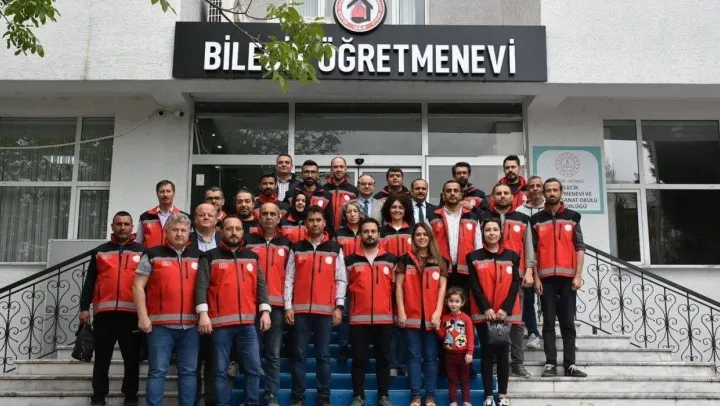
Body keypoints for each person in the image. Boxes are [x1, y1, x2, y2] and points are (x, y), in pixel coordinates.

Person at [195, 216, 272, 406]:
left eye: (238, 229)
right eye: (230, 229)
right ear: (222, 231)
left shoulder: (252, 256)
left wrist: (265, 311)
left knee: (254, 368)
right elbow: (201, 287)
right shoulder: (210, 256)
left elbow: (261, 285)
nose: (234, 232)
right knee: (219, 370)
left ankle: (251, 403)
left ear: (243, 232)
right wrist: (203, 314)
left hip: (247, 324)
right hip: (220, 324)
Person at [133, 213, 201, 406]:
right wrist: (143, 317)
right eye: (175, 230)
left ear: (189, 233)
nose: (179, 234)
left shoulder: (199, 256)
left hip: (191, 326)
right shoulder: (152, 254)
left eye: (183, 230)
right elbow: (138, 285)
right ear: (166, 232)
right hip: (160, 326)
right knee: (157, 371)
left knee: (188, 372)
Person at [79, 211, 145, 406]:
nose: (122, 227)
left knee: (132, 360)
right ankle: (98, 396)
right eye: (119, 224)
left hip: (132, 315)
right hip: (105, 315)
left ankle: (130, 397)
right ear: (112, 226)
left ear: (132, 227)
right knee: (102, 359)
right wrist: (84, 307)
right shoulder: (100, 252)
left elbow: (149, 285)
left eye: (126, 224)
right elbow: (90, 282)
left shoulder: (143, 252)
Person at [284, 206, 347, 406]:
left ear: (324, 223)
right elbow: (289, 279)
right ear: (305, 223)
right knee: (299, 356)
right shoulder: (296, 247)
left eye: (318, 220)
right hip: (300, 311)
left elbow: (341, 279)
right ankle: (298, 396)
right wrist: (288, 306)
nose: (315, 223)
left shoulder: (335, 248)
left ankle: (323, 396)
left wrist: (339, 307)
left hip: (325, 311)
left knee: (324, 356)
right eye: (311, 220)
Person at [531, 178, 587, 378]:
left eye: (555, 190)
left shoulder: (573, 217)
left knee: (568, 323)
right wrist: (536, 278)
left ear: (561, 192)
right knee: (548, 323)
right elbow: (533, 252)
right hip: (546, 279)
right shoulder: (536, 220)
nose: (552, 193)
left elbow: (580, 248)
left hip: (568, 279)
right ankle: (550, 364)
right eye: (548, 190)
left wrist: (578, 276)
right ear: (544, 193)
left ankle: (570, 364)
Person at [483, 184, 536, 377]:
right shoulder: (484, 218)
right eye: (498, 193)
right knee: (492, 319)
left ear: (512, 197)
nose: (503, 196)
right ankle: (495, 361)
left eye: (506, 193)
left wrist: (529, 271)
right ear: (493, 197)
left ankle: (517, 362)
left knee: (515, 321)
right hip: (489, 275)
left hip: (516, 277)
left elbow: (528, 247)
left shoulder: (522, 219)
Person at [468, 218, 521, 406]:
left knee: (503, 354)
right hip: (484, 314)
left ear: (501, 232)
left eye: (495, 229)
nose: (491, 233)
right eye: (488, 230)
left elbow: (515, 284)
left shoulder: (512, 256)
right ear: (483, 233)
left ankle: (503, 396)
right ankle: (489, 396)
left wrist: (505, 308)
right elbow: (474, 286)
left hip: (504, 314)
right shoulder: (473, 257)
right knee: (487, 353)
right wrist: (486, 308)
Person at [244, 203, 293, 406]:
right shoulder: (247, 241)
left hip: (277, 306)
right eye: (265, 213)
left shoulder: (286, 243)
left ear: (279, 218)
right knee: (252, 354)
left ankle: (271, 395)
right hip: (251, 304)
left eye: (273, 214)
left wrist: (288, 304)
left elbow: (290, 276)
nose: (269, 217)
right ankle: (251, 397)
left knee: (273, 354)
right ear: (259, 217)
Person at [345, 218, 397, 406]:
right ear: (360, 235)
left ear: (379, 234)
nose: (369, 234)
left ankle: (384, 395)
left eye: (373, 231)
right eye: (366, 231)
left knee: (384, 359)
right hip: (359, 320)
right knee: (359, 360)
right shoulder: (350, 260)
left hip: (385, 319)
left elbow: (395, 289)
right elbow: (345, 287)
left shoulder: (391, 260)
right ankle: (358, 396)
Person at [396, 223, 448, 406]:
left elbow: (442, 289)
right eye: (418, 235)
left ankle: (430, 396)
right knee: (413, 356)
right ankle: (416, 396)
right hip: (411, 316)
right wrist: (401, 311)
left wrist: (438, 313)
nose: (422, 238)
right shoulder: (404, 259)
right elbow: (398, 287)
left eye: (425, 234)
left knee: (431, 357)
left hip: (432, 318)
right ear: (413, 238)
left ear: (430, 237)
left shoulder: (441, 261)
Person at [189, 203, 222, 406]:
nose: (206, 217)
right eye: (202, 214)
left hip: (218, 308)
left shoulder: (223, 239)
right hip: (189, 307)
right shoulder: (186, 239)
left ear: (217, 219)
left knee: (213, 361)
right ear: (195, 219)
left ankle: (210, 400)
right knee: (192, 362)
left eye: (210, 214)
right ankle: (192, 400)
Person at [334, 200, 367, 363]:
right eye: (349, 212)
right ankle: (343, 347)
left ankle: (360, 348)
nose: (352, 214)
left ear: (361, 213)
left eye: (355, 211)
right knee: (345, 314)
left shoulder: (367, 231)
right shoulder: (339, 234)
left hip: (363, 279)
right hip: (344, 279)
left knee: (362, 315)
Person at [515, 175, 544, 348]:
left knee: (550, 300)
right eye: (531, 186)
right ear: (527, 190)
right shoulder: (520, 210)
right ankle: (533, 332)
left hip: (547, 260)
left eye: (538, 186)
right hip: (527, 259)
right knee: (527, 299)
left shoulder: (549, 208)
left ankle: (552, 331)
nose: (535, 189)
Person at [436, 287, 474, 406]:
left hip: (463, 355)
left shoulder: (466, 318)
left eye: (457, 301)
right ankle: (453, 402)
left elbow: (470, 337)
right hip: (449, 355)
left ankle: (466, 401)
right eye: (451, 301)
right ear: (447, 302)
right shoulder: (445, 318)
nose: (454, 304)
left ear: (462, 302)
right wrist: (437, 328)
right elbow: (443, 336)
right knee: (452, 379)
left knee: (464, 379)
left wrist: (470, 352)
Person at [137, 180, 189, 249]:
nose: (165, 195)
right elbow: (138, 243)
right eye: (162, 191)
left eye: (168, 191)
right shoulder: (145, 217)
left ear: (173, 193)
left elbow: (188, 242)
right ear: (157, 194)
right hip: (149, 255)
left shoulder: (184, 218)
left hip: (173, 256)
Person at [325, 157, 358, 230]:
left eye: (341, 167)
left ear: (346, 169)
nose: (338, 169)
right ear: (331, 169)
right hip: (326, 232)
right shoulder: (323, 190)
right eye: (335, 167)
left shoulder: (353, 191)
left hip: (347, 232)